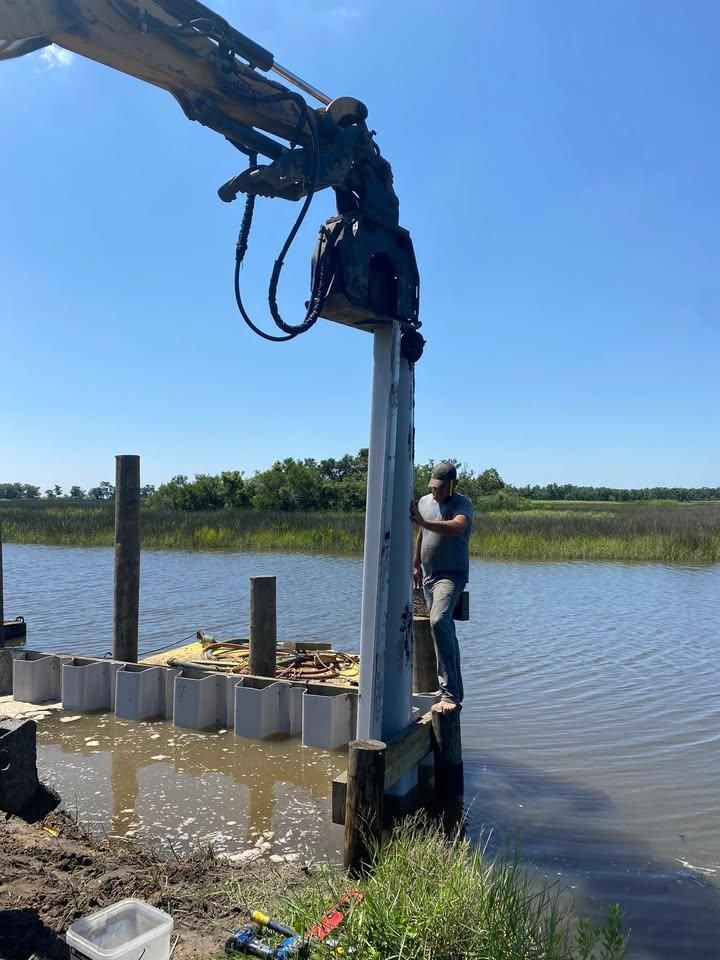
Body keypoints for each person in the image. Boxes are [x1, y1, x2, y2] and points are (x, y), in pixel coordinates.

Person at [410, 461, 473, 714]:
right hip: (428, 576)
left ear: (453, 485)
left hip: (451, 576)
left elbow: (459, 527)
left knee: (438, 622)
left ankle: (451, 694)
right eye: (433, 487)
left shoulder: (462, 504)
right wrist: (416, 564)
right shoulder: (425, 502)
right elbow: (421, 535)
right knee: (440, 629)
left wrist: (424, 523)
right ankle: (444, 687)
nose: (436, 491)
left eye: (441, 487)